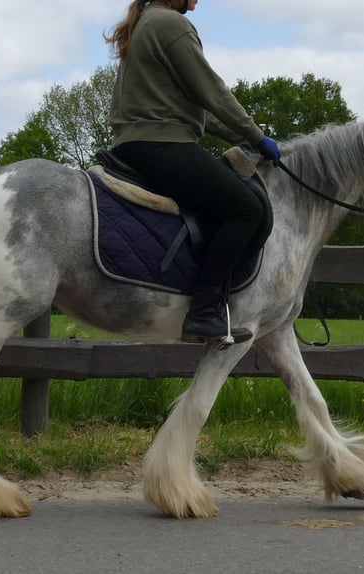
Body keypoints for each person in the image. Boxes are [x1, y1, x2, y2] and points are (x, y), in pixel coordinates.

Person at [105, 0, 280, 344]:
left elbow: (200, 111)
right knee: (247, 208)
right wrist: (257, 136)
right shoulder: (171, 25)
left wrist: (250, 138)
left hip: (135, 143)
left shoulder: (147, 23)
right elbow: (214, 94)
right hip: (162, 144)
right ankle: (202, 312)